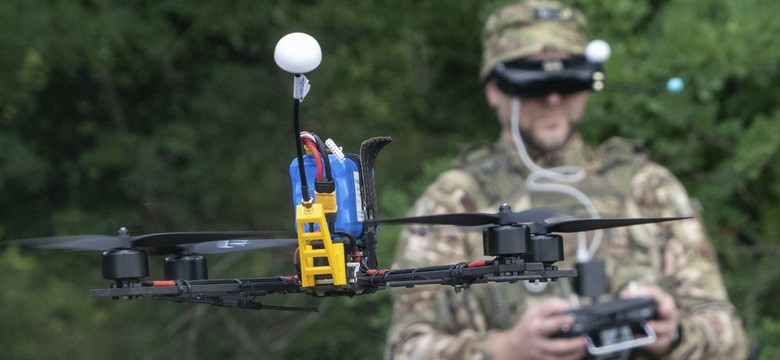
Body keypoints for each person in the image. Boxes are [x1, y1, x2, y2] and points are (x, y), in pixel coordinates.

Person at [383, 1, 747, 359]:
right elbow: (406, 348)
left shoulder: (650, 189)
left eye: (566, 80)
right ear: (495, 88)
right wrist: (505, 349)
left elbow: (728, 338)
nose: (553, 98)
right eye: (534, 83)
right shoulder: (453, 201)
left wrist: (674, 333)